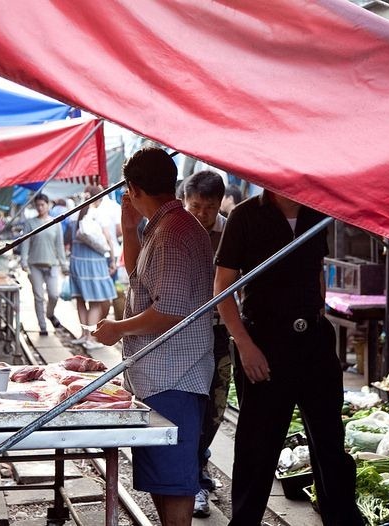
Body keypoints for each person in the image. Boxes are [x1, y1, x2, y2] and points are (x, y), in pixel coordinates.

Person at [214, 190, 363, 526]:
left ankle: (341, 520)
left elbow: (317, 270)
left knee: (329, 443)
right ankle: (245, 522)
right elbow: (222, 288)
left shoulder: (317, 212)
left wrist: (316, 310)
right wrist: (245, 345)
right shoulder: (245, 216)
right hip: (264, 343)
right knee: (257, 447)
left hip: (313, 342)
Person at [93, 147, 214, 526]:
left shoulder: (173, 232)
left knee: (176, 481)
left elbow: (170, 313)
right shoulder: (162, 226)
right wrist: (129, 228)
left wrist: (118, 329)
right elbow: (140, 277)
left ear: (132, 187)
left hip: (174, 375)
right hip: (160, 375)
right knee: (164, 478)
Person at [182, 170, 230, 518]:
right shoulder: (173, 229)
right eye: (195, 206)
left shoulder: (227, 231)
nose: (201, 214)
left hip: (216, 331)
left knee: (216, 403)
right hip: (179, 334)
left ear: (220, 205)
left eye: (209, 208)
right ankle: (193, 477)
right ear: (185, 201)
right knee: (187, 404)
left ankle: (199, 463)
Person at [69, 185, 117, 350]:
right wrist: (112, 259)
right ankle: (90, 338)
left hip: (76, 261)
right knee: (96, 302)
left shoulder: (74, 213)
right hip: (93, 263)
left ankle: (83, 335)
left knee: (81, 299)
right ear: (99, 198)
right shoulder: (98, 213)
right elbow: (108, 238)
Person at [19, 193, 68, 336]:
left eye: (42, 205)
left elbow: (59, 245)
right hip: (34, 265)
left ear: (48, 205)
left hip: (52, 265)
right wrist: (23, 261)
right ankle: (42, 326)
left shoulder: (55, 223)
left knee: (54, 295)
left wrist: (63, 264)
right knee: (39, 296)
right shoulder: (30, 223)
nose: (40, 208)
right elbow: (25, 243)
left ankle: (50, 314)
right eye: (37, 205)